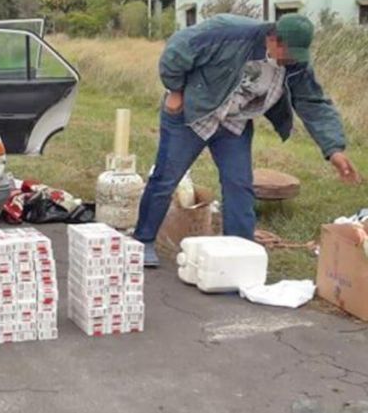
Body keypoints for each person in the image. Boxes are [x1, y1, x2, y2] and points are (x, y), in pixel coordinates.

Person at [135, 13, 360, 267]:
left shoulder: (296, 63)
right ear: (273, 39)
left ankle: (239, 254)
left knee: (239, 185)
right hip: (194, 113)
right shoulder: (229, 33)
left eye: (297, 55)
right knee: (166, 177)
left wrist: (334, 149)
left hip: (235, 121)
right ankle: (144, 241)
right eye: (288, 53)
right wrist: (175, 89)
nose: (291, 60)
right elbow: (179, 47)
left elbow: (313, 102)